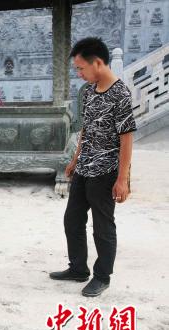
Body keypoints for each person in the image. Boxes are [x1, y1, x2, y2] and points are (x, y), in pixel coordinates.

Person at [49, 38, 136, 297]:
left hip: (106, 171)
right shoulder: (88, 92)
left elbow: (127, 137)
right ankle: (78, 268)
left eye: (80, 68)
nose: (79, 73)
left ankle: (102, 276)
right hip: (85, 168)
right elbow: (86, 128)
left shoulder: (120, 93)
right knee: (72, 219)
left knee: (102, 227)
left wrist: (123, 179)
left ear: (97, 62)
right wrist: (75, 159)